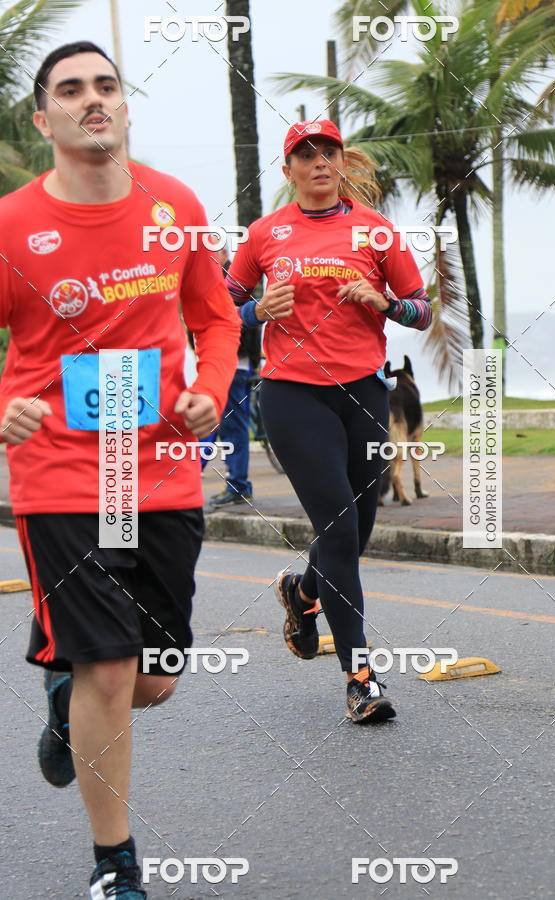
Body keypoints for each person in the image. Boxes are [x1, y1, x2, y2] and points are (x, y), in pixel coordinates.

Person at [0, 42, 240, 898]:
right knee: (108, 667)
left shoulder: (174, 206)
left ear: (125, 105)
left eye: (106, 86)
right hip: (62, 469)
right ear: (45, 118)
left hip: (161, 469)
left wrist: (209, 391)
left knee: (152, 680)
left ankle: (66, 690)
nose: (92, 100)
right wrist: (4, 415)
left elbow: (217, 321)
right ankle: (116, 868)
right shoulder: (10, 224)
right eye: (71, 90)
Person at [226, 120, 432, 724]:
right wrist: (256, 308)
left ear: (342, 162)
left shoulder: (376, 230)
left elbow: (421, 311)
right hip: (292, 396)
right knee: (339, 530)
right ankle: (360, 679)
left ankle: (304, 591)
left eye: (328, 152)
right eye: (304, 155)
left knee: (355, 534)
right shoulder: (264, 234)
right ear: (287, 170)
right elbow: (218, 310)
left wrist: (384, 303)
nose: (318, 162)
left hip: (364, 394)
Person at [209, 245, 262, 508]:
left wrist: (251, 362)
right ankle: (236, 483)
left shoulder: (230, 280)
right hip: (224, 364)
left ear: (221, 254)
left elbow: (247, 321)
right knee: (218, 425)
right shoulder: (218, 278)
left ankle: (238, 485)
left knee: (231, 426)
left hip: (231, 364)